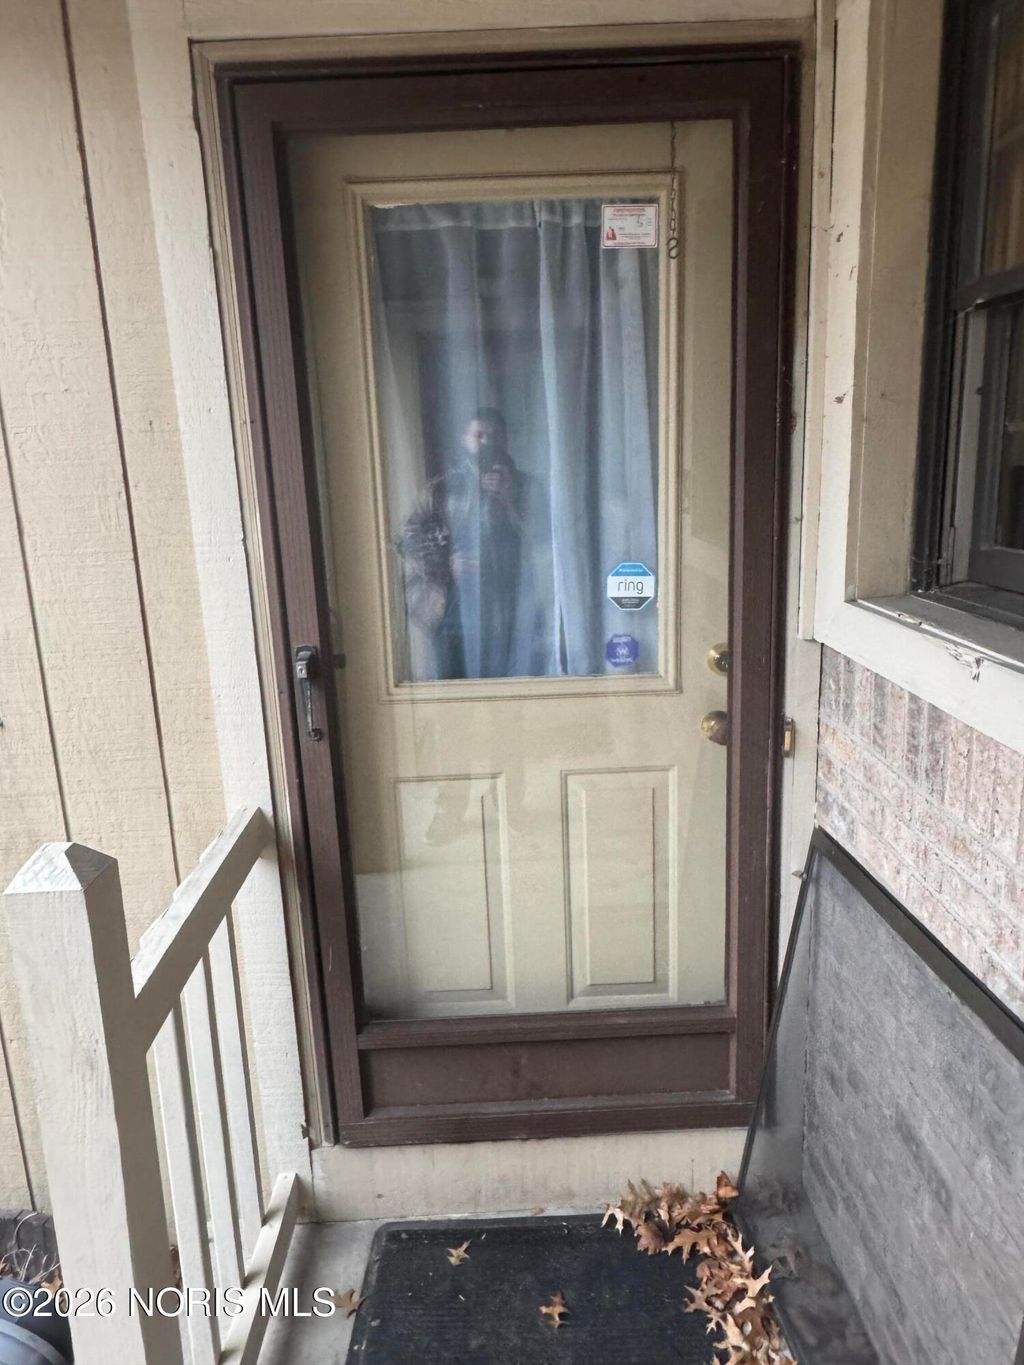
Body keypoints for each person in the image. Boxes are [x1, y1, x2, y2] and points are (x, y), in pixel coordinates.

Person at [396, 409, 548, 680]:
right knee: (452, 692)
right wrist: (445, 564)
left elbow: (549, 541)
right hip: (454, 612)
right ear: (464, 439)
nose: (487, 442)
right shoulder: (441, 488)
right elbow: (407, 539)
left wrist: (510, 501)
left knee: (516, 693)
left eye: (495, 435)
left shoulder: (528, 487)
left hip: (513, 612)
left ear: (507, 440)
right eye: (479, 435)